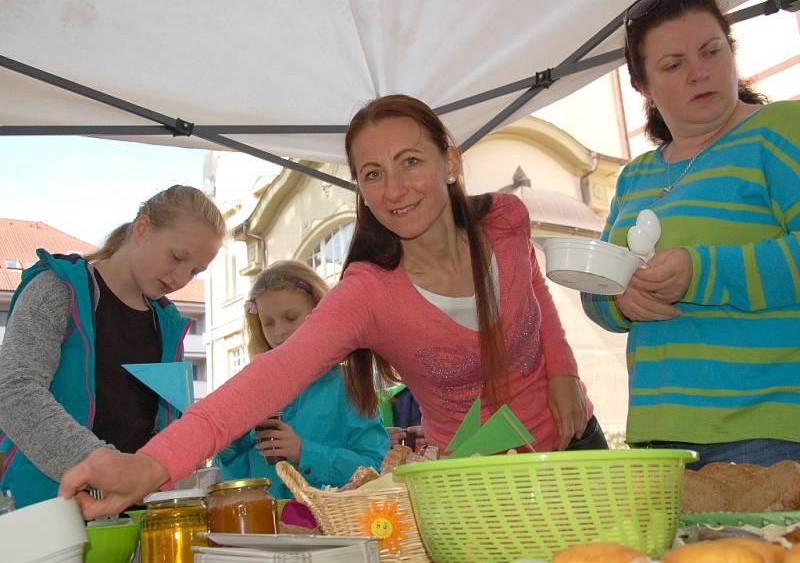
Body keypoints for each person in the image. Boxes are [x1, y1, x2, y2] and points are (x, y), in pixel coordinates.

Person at [59, 94, 606, 519]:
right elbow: (267, 378)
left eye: (409, 161)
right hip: (471, 487)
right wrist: (152, 464)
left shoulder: (505, 221)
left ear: (451, 161)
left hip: (576, 443)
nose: (394, 190)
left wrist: (563, 372)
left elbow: (534, 293)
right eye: (372, 174)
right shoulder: (369, 293)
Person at [581, 0, 800, 467]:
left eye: (711, 52)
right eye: (673, 65)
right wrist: (617, 298)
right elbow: (594, 287)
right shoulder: (636, 175)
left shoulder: (782, 130)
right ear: (644, 86)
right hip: (658, 442)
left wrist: (699, 271)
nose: (700, 73)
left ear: (732, 53)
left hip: (770, 436)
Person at [0, 185, 225, 508]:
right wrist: (103, 467)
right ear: (142, 228)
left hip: (133, 511)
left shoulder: (169, 322)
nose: (180, 277)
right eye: (177, 257)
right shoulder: (56, 290)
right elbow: (13, 391)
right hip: (46, 507)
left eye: (195, 271)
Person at [212, 260, 389, 498]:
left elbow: (375, 469)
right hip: (268, 527)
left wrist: (303, 452)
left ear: (321, 313)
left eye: (291, 317)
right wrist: (230, 442)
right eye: (268, 323)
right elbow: (231, 477)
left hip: (333, 526)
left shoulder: (349, 385)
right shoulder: (254, 386)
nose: (279, 332)